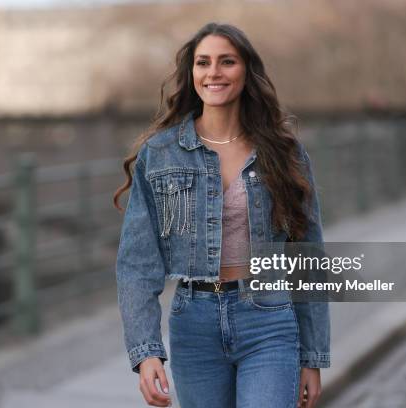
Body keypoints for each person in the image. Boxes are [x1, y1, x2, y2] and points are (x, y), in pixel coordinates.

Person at [113, 22, 330, 408]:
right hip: (193, 325)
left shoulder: (283, 153)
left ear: (246, 72)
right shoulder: (161, 154)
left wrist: (312, 358)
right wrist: (146, 352)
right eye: (203, 63)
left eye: (226, 62)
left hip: (269, 319)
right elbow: (137, 263)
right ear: (192, 73)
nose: (213, 72)